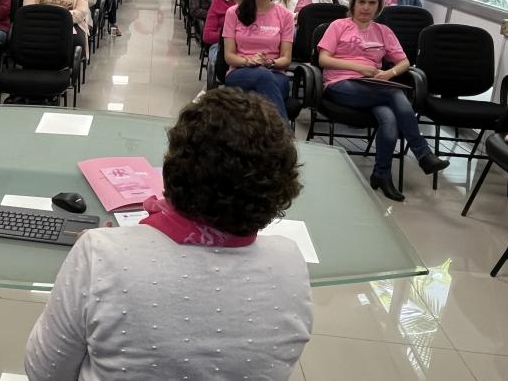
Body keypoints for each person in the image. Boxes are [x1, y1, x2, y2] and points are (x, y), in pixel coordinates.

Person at [25, 88, 312, 381]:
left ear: (173, 168)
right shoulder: (290, 261)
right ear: (280, 185)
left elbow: (45, 372)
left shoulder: (98, 253)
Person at [317, 0, 449, 201]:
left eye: (371, 3)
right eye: (361, 2)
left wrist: (389, 74)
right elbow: (323, 59)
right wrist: (360, 67)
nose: (366, 7)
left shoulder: (383, 31)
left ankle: (382, 175)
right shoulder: (338, 26)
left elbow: (404, 62)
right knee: (395, 94)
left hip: (374, 87)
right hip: (341, 84)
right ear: (353, 3)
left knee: (389, 117)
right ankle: (422, 152)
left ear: (379, 6)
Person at [222, 0, 294, 121]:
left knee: (264, 83)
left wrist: (269, 63)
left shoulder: (286, 16)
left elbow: (286, 59)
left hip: (275, 73)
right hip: (239, 72)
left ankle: (258, 140)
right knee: (263, 76)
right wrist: (249, 61)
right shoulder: (234, 13)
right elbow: (229, 56)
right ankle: (283, 138)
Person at [204, 0, 250, 70]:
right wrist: (231, 39)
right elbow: (207, 35)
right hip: (221, 46)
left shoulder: (256, 1)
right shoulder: (219, 1)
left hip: (250, 46)